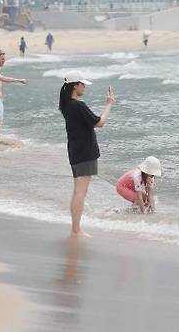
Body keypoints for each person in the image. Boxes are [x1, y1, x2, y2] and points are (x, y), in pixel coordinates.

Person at [59, 71, 115, 237]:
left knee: (78, 191)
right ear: (75, 85)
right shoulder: (78, 105)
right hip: (84, 152)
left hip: (75, 151)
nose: (84, 87)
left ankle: (75, 228)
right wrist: (109, 104)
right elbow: (100, 122)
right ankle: (76, 230)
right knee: (80, 192)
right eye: (82, 84)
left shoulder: (67, 105)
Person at [0, 50, 28, 157]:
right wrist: (19, 80)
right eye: (2, 59)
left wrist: (1, 95)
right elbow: (3, 79)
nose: (4, 61)